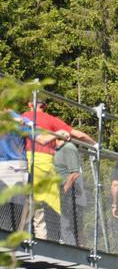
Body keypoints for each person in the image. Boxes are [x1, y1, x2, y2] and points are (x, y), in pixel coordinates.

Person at [24, 101, 94, 240]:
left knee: (25, 204)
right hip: (44, 164)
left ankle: (18, 239)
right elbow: (79, 135)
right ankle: (43, 244)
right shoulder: (52, 120)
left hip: (23, 162)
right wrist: (95, 145)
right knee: (45, 209)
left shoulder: (23, 117)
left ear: (30, 104)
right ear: (45, 106)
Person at [0, 111, 54, 232]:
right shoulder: (18, 119)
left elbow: (42, 139)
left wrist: (57, 135)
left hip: (15, 167)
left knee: (19, 210)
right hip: (13, 167)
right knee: (17, 210)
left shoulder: (20, 119)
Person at [53, 130, 87, 246]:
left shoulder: (68, 147)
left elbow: (74, 173)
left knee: (68, 225)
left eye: (57, 138)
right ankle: (79, 250)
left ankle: (74, 251)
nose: (55, 141)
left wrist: (64, 191)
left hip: (70, 194)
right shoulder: (59, 150)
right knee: (73, 226)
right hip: (68, 194)